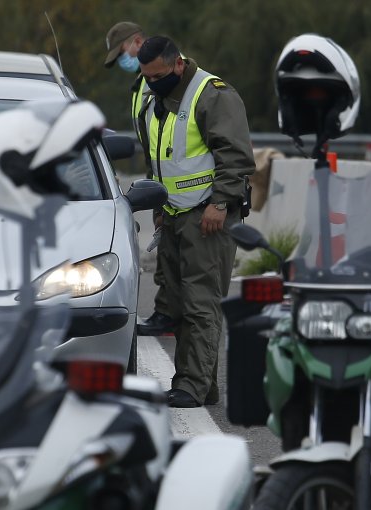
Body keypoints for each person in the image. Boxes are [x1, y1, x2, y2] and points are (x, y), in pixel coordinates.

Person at [135, 36, 256, 407]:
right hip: (173, 214)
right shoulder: (157, 97)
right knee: (181, 304)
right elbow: (160, 157)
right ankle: (202, 385)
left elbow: (236, 157)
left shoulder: (212, 94)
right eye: (146, 78)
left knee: (201, 303)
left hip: (208, 215)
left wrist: (220, 204)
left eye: (157, 76)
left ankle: (191, 384)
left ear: (177, 64)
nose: (151, 84)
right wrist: (158, 202)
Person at [103, 21, 176, 336]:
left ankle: (171, 315)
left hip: (178, 179)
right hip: (161, 176)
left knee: (177, 256)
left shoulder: (167, 75)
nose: (123, 61)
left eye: (122, 53)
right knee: (170, 253)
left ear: (136, 42)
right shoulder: (142, 83)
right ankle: (169, 313)